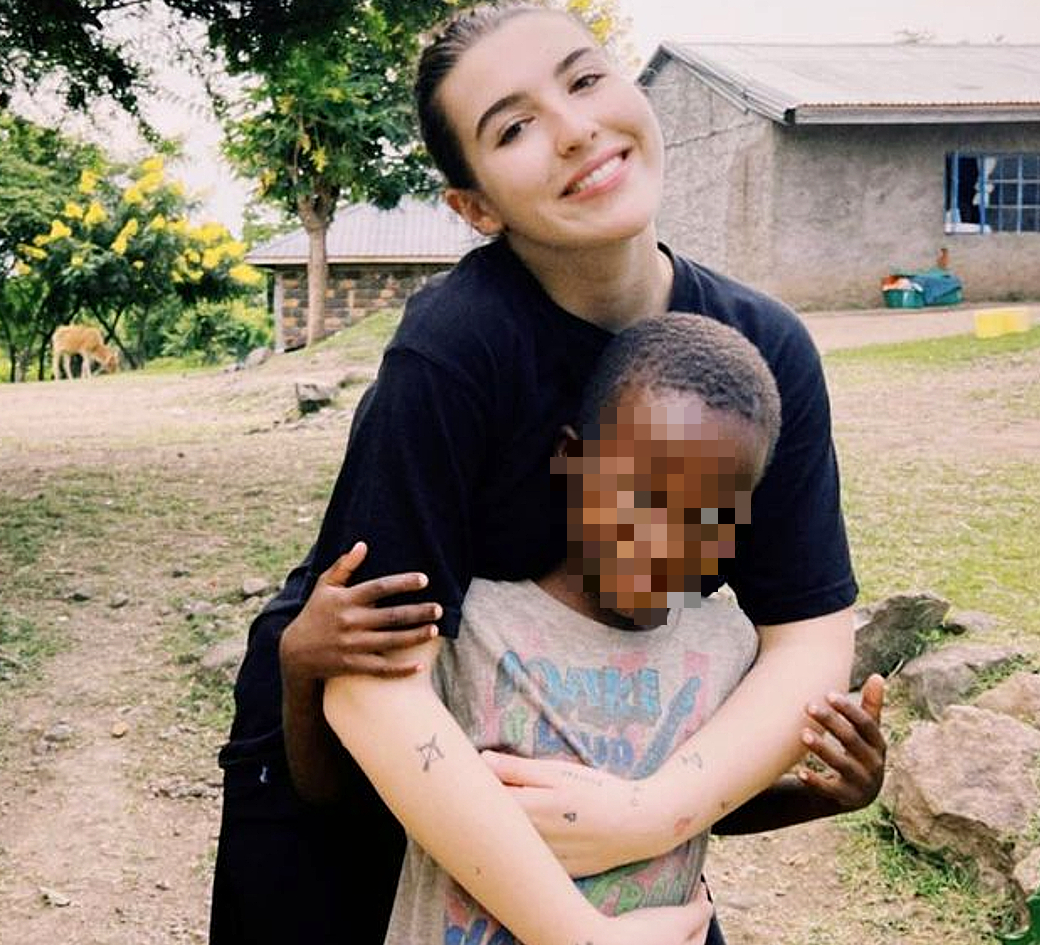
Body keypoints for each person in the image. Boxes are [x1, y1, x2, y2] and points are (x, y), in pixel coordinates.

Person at [211, 4, 869, 945]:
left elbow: (807, 636)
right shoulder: (453, 351)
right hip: (360, 764)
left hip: (595, 766)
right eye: (513, 127)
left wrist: (651, 812)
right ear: (475, 206)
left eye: (587, 79)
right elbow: (371, 677)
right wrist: (577, 934)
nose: (573, 128)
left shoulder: (766, 351)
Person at [320, 313, 886, 945]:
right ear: (571, 462)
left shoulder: (724, 650)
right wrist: (297, 667)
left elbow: (707, 811)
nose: (669, 540)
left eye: (711, 517)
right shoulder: (476, 624)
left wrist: (827, 796)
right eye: (644, 496)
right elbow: (345, 779)